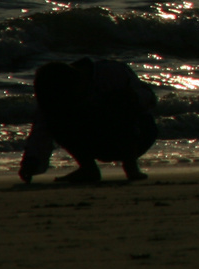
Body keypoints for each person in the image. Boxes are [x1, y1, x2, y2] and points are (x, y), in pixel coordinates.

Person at [18, 58, 158, 184]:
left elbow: (150, 98)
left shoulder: (111, 73)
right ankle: (88, 169)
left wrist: (131, 98)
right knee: (54, 117)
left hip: (140, 134)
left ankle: (131, 166)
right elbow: (40, 133)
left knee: (120, 102)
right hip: (97, 141)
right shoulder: (55, 98)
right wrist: (31, 164)